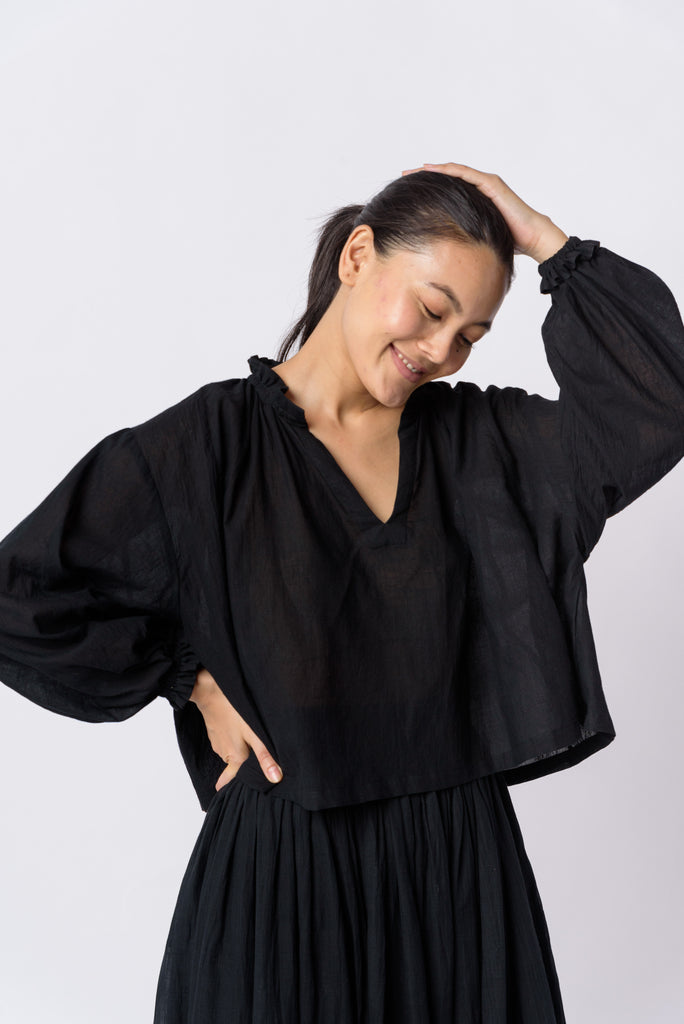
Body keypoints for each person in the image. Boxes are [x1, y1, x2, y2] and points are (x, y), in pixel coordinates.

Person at [1, 162, 683, 1023]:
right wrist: (189, 679)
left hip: (459, 884)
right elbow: (19, 595)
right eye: (432, 309)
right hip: (282, 888)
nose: (441, 350)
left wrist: (543, 238)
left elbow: (657, 403)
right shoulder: (207, 450)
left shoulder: (487, 449)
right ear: (358, 256)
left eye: (470, 335)